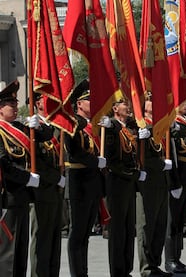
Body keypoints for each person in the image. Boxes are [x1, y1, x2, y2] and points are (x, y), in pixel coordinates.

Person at [100, 98, 148, 277]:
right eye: (124, 105)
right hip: (117, 181)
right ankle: (117, 271)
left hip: (129, 181)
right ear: (115, 108)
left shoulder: (128, 128)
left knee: (129, 228)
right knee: (117, 230)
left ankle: (126, 269)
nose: (128, 108)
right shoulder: (111, 126)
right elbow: (111, 159)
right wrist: (133, 174)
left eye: (128, 105)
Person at [65, 79, 106, 277]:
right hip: (79, 181)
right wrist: (94, 161)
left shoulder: (94, 125)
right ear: (79, 103)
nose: (93, 103)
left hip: (92, 182)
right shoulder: (73, 124)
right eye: (89, 100)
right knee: (77, 233)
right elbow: (74, 151)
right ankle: (76, 273)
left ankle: (84, 271)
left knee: (86, 234)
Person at [0, 80, 42, 276]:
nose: (16, 108)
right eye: (12, 105)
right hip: (7, 198)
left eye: (17, 105)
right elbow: (4, 165)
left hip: (23, 198)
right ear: (1, 109)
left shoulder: (19, 127)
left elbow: (47, 135)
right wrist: (27, 178)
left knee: (21, 250)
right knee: (8, 253)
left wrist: (38, 126)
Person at [136, 98, 174, 277]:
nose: (154, 102)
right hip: (148, 183)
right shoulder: (140, 127)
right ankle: (145, 267)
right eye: (150, 100)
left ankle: (154, 263)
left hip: (162, 182)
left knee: (160, 224)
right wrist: (160, 165)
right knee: (146, 225)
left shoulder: (161, 128)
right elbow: (142, 157)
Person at [30, 93, 66, 277]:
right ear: (38, 103)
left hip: (56, 192)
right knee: (41, 238)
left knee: (54, 238)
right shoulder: (33, 129)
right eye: (46, 98)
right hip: (41, 192)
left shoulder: (56, 127)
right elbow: (37, 164)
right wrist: (55, 178)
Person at [164, 102, 186, 274]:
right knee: (172, 221)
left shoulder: (185, 123)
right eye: (182, 102)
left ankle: (177, 257)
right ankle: (169, 260)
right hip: (177, 175)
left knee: (179, 220)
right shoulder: (172, 123)